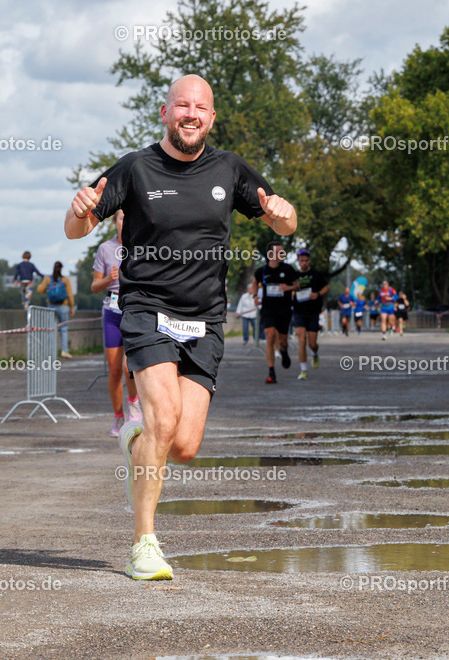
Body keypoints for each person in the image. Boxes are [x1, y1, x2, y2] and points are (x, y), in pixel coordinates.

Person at [63, 74, 296, 580]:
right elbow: (78, 225)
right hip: (147, 309)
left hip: (206, 319)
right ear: (165, 113)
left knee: (183, 446)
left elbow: (286, 220)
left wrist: (281, 214)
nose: (191, 114)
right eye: (182, 105)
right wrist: (78, 211)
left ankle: (134, 439)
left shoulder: (230, 169)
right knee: (163, 420)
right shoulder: (136, 168)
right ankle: (143, 544)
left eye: (201, 108)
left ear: (211, 118)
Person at [93, 209, 142, 437]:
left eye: (129, 218)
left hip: (134, 311)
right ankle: (118, 417)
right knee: (114, 370)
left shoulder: (143, 246)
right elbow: (94, 286)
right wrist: (108, 279)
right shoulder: (105, 249)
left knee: (128, 368)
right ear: (115, 222)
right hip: (112, 311)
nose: (126, 222)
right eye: (122, 218)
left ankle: (134, 406)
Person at [250, 240, 298, 384]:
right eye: (279, 252)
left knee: (283, 341)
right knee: (270, 337)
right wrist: (255, 296)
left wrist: (288, 288)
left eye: (282, 252)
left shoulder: (288, 269)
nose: (282, 254)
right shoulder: (262, 271)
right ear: (271, 254)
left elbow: (298, 285)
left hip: (284, 309)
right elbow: (254, 283)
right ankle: (271, 371)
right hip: (268, 309)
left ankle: (284, 351)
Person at [291, 248, 329, 380]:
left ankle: (315, 353)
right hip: (299, 312)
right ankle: (303, 370)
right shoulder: (294, 276)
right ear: (298, 261)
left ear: (309, 261)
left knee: (312, 342)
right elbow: (289, 290)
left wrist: (317, 294)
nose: (304, 263)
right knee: (301, 339)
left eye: (306, 261)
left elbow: (326, 288)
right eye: (302, 261)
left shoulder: (316, 274)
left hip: (313, 312)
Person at [37, 261, 76, 359]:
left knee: (51, 329)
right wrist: (72, 307)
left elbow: (39, 290)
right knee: (63, 329)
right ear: (61, 269)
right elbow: (70, 295)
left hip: (51, 307)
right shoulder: (65, 280)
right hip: (63, 307)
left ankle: (50, 352)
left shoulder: (48, 279)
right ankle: (64, 350)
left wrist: (45, 286)